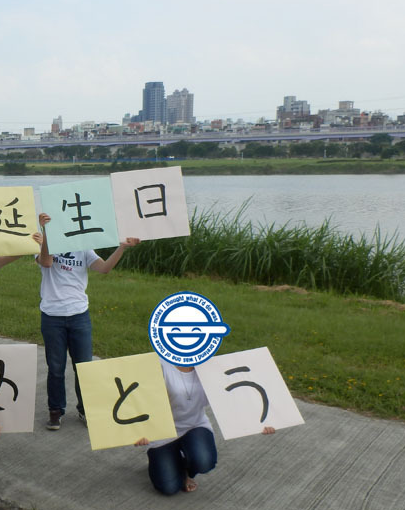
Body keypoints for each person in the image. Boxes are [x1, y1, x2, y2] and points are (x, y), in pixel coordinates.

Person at [36, 212, 139, 430]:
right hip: (52, 315)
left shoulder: (83, 247)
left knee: (84, 366)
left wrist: (121, 247)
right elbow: (46, 262)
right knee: (55, 367)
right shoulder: (45, 244)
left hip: (79, 315)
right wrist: (46, 231)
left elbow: (104, 268)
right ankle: (56, 411)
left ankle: (85, 409)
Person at [134, 360, 276, 495]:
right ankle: (164, 458)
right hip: (162, 432)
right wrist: (137, 431)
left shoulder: (211, 367)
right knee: (169, 488)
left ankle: (184, 467)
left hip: (194, 425)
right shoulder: (159, 365)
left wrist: (260, 422)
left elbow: (235, 398)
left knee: (204, 461)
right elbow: (139, 400)